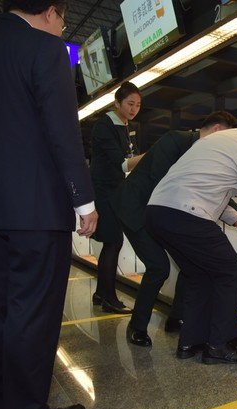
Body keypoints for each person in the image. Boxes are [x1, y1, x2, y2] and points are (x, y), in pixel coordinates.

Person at [0, 0, 98, 409]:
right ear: (51, 12)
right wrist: (84, 200)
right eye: (64, 21)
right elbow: (62, 130)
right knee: (31, 313)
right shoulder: (44, 48)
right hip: (34, 209)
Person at [112, 111, 237, 346]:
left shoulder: (204, 151)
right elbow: (167, 183)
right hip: (136, 209)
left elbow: (209, 188)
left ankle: (178, 319)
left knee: (192, 264)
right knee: (159, 267)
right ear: (217, 130)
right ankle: (137, 326)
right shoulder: (175, 140)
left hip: (162, 213)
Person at [146, 115, 237, 364]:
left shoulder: (218, 140)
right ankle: (220, 345)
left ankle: (191, 342)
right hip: (186, 215)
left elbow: (209, 186)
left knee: (199, 275)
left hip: (157, 212)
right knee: (230, 271)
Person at [89, 81, 144, 314]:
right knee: (113, 242)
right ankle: (109, 298)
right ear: (117, 103)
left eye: (138, 105)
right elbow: (122, 163)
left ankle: (102, 293)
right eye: (130, 104)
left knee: (113, 242)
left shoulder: (126, 126)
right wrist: (153, 155)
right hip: (104, 191)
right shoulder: (105, 126)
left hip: (115, 191)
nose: (134, 109)